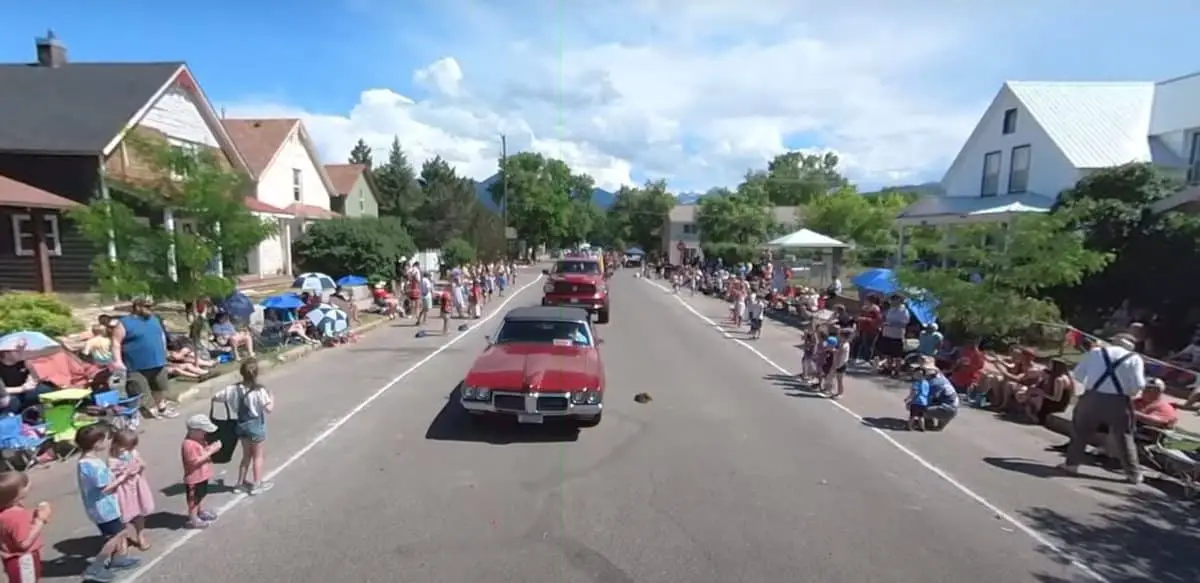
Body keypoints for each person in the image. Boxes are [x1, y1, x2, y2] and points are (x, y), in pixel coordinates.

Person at [1059, 333, 1146, 484]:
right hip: (1119, 401)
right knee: (1124, 436)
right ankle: (1133, 474)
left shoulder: (1095, 352)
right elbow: (1138, 385)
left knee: (1080, 431)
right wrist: (1127, 392)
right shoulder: (1134, 358)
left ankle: (1071, 465)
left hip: (1092, 397)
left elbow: (1079, 375)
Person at [75, 424, 141, 582]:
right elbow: (104, 488)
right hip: (103, 508)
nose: (107, 442)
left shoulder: (86, 461)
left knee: (121, 531)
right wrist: (124, 476)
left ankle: (119, 558)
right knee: (116, 535)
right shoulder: (92, 465)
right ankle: (96, 567)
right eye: (105, 439)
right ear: (96, 443)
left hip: (102, 506)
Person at [211, 360, 274, 495]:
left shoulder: (232, 389)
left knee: (246, 455)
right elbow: (268, 409)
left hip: (241, 425)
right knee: (258, 456)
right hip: (255, 425)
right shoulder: (259, 390)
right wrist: (272, 398)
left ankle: (240, 484)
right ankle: (257, 483)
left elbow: (216, 397)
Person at [111, 297, 178, 419]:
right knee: (141, 390)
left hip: (157, 361)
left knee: (159, 387)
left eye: (151, 306)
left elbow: (161, 335)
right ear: (137, 307)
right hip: (136, 364)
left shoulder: (155, 319)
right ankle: (150, 410)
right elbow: (116, 342)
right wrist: (118, 361)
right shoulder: (124, 323)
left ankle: (162, 408)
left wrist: (164, 351)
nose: (150, 309)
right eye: (147, 307)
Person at [0, 471, 51, 583]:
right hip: (24, 560)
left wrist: (33, 515)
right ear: (15, 494)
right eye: (25, 485)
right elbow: (24, 543)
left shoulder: (4, 511)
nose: (29, 485)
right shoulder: (16, 515)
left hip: (11, 561)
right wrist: (40, 520)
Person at [108, 429, 154, 549]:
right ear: (115, 444)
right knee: (124, 514)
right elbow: (113, 476)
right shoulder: (112, 460)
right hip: (123, 489)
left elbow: (142, 464)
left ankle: (141, 536)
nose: (126, 451)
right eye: (124, 447)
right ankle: (123, 540)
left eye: (129, 447)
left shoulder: (133, 453)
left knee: (139, 512)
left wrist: (140, 466)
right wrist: (126, 472)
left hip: (136, 485)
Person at [180, 415, 222, 529]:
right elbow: (194, 461)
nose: (205, 433)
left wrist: (210, 448)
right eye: (203, 431)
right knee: (194, 499)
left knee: (201, 495)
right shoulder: (188, 444)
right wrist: (211, 451)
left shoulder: (199, 440)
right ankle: (193, 519)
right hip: (194, 477)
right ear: (195, 431)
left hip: (202, 475)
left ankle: (200, 512)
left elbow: (202, 453)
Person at [0, 341, 54, 417]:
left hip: (25, 391)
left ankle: (34, 414)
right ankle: (9, 420)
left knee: (47, 390)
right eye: (17, 351)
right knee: (12, 402)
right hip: (8, 395)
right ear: (5, 353)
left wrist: (31, 379)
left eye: (22, 350)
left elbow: (35, 377)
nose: (21, 353)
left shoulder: (23, 361)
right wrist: (21, 389)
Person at [923, 364, 960, 430]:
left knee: (919, 407)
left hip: (947, 408)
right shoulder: (941, 378)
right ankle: (941, 423)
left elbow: (927, 400)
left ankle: (930, 423)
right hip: (953, 406)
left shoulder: (933, 384)